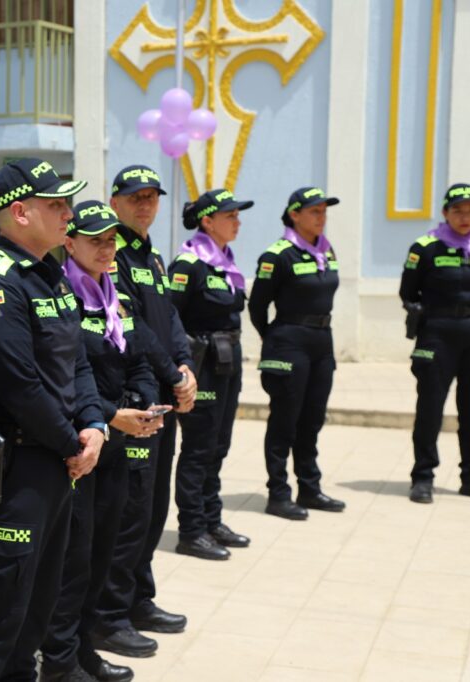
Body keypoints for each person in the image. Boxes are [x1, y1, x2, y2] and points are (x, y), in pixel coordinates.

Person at [0, 158, 106, 681]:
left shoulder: (51, 275)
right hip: (16, 467)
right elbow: (20, 385)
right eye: (56, 205)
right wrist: (73, 444)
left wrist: (94, 425)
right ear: (20, 212)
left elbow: (77, 360)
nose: (69, 213)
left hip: (58, 460)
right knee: (0, 612)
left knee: (39, 607)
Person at [40, 200, 176, 682]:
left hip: (117, 437)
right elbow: (66, 376)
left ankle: (85, 648)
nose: (106, 248)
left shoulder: (113, 294)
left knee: (105, 549)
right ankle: (58, 658)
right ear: (69, 243)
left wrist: (142, 401)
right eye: (95, 240)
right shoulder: (61, 295)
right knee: (73, 560)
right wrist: (112, 415)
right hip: (84, 440)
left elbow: (136, 351)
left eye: (111, 239)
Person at [91, 164, 196, 658]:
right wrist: (172, 375)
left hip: (161, 396)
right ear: (115, 202)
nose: (145, 205)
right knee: (129, 512)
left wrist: (185, 363)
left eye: (152, 197)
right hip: (136, 399)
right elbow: (132, 329)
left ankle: (137, 597)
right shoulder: (112, 255)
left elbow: (169, 317)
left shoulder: (152, 256)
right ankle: (109, 615)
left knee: (153, 507)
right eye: (135, 197)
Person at [249, 186, 346, 519]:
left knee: (312, 419)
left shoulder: (325, 251)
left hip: (322, 341)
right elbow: (257, 305)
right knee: (285, 421)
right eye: (315, 211)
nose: (322, 217)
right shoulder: (278, 254)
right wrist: (274, 340)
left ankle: (310, 488)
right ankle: (278, 494)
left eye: (324, 211)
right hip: (289, 341)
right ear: (295, 214)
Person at [169, 189, 253, 560]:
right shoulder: (189, 264)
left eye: (237, 214)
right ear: (208, 220)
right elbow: (171, 318)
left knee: (219, 444)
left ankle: (211, 519)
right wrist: (183, 366)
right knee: (199, 446)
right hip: (201, 363)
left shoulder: (225, 260)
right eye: (230, 215)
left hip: (227, 359)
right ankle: (191, 530)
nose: (237, 221)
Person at [401, 183, 470, 503]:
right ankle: (423, 477)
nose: (464, 216)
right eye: (457, 210)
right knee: (430, 408)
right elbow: (408, 292)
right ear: (445, 213)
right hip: (437, 334)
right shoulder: (425, 247)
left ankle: (468, 477)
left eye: (469, 211)